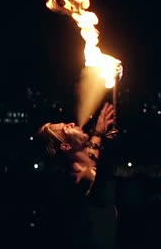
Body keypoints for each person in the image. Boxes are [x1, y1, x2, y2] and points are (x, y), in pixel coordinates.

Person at [36, 102, 119, 249]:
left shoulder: (84, 165)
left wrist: (98, 133)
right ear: (66, 146)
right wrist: (109, 153)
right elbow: (104, 187)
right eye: (66, 128)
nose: (72, 123)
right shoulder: (78, 180)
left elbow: (91, 157)